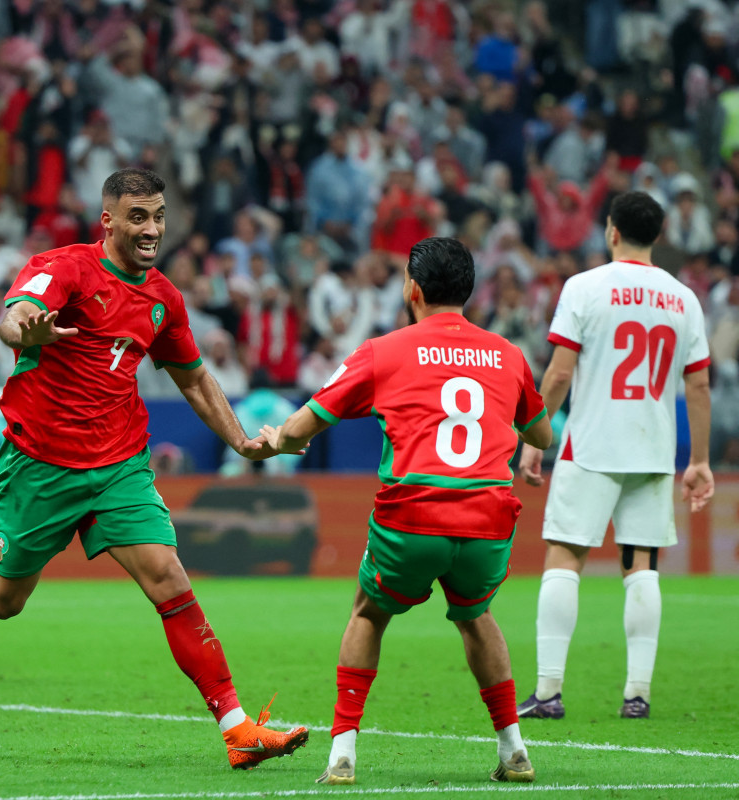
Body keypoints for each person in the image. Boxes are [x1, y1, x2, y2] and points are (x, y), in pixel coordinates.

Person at [0, 168, 309, 770]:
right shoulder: (67, 268)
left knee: (169, 578)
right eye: (139, 218)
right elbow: (12, 315)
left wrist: (241, 442)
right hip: (41, 464)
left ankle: (237, 728)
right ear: (109, 222)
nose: (152, 229)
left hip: (119, 463)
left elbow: (194, 377)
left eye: (159, 216)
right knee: (3, 600)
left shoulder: (164, 299)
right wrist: (27, 330)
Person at [260, 237, 553, 786]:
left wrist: (276, 440)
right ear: (468, 291)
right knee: (475, 614)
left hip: (413, 513)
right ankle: (514, 750)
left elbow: (303, 426)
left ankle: (342, 755)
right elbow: (541, 431)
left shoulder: (384, 350)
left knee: (368, 613)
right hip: (488, 515)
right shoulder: (508, 354)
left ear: (412, 289)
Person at [516, 192, 714, 720]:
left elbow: (558, 374)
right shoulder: (683, 298)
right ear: (659, 234)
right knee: (641, 564)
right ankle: (637, 694)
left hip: (592, 446)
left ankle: (549, 691)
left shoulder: (585, 287)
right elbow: (698, 387)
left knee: (565, 556)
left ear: (610, 231)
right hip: (652, 448)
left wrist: (535, 439)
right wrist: (699, 460)